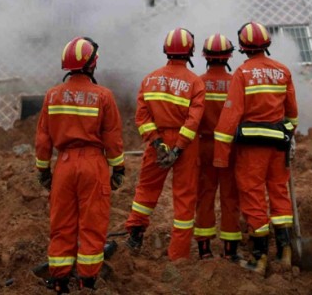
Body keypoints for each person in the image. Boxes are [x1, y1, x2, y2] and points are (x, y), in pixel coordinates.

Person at [35, 37, 125, 293]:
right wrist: (118, 168)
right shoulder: (103, 96)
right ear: (92, 65)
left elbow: (43, 139)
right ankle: (87, 282)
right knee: (92, 225)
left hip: (63, 165)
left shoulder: (52, 95)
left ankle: (60, 282)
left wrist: (43, 170)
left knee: (61, 225)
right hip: (93, 165)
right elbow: (112, 138)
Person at [213, 21, 299, 276]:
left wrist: (221, 156)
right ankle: (286, 252)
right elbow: (292, 113)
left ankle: (260, 257)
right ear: (267, 44)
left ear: (242, 47)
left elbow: (231, 115)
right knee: (279, 193)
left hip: (251, 149)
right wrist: (290, 136)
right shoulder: (283, 71)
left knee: (253, 197)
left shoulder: (242, 73)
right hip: (278, 146)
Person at [124, 28, 205, 260]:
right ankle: (178, 256)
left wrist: (158, 143)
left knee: (146, 190)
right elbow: (194, 120)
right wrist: (178, 148)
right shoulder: (195, 83)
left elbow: (141, 117)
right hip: (186, 146)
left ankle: (135, 236)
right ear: (190, 52)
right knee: (185, 197)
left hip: (156, 141)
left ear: (165, 50)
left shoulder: (149, 79)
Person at [193, 33, 242, 261]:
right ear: (229, 56)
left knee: (205, 195)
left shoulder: (198, 83)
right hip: (230, 148)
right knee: (230, 197)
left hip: (203, 146)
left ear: (205, 56)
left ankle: (204, 250)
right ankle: (230, 250)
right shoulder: (236, 83)